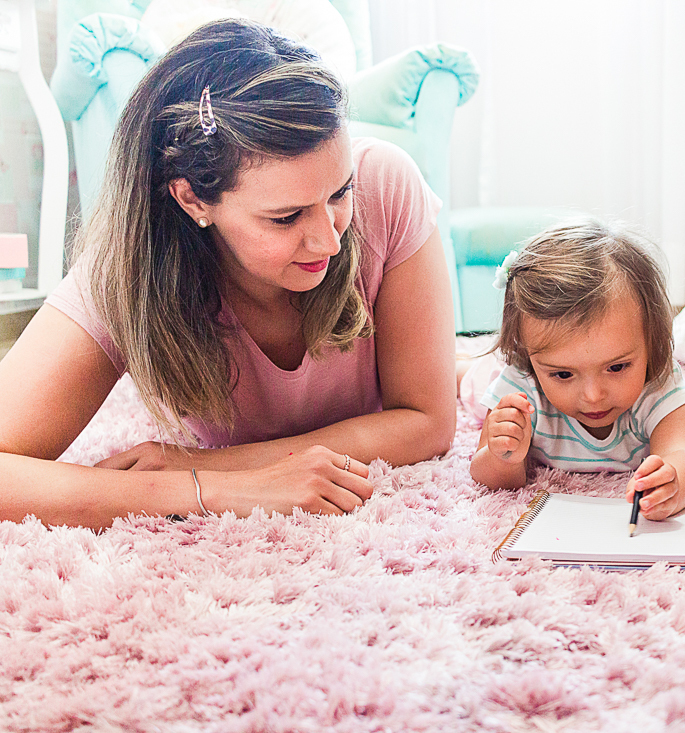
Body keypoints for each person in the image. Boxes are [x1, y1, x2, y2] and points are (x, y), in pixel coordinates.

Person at [0, 19, 456, 529]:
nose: (330, 240)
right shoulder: (130, 268)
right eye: (286, 217)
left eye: (339, 193)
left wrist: (206, 462)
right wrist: (211, 490)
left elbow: (428, 421)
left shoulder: (387, 183)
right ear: (192, 198)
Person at [467, 220, 685, 522]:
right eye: (563, 374)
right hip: (487, 376)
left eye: (616, 367)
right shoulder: (520, 387)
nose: (593, 396)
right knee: (474, 384)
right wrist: (505, 456)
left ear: (652, 343)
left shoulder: (657, 382)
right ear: (527, 358)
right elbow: (487, 474)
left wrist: (673, 482)